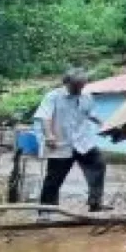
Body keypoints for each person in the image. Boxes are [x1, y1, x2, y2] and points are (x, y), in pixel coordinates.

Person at [34, 68, 108, 215]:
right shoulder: (53, 96)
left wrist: (105, 124)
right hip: (61, 144)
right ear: (66, 83)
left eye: (82, 86)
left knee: (98, 164)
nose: (79, 89)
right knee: (54, 178)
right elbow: (45, 116)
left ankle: (95, 203)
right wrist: (49, 135)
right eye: (76, 86)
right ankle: (46, 211)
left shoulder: (86, 97)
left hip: (83, 142)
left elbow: (91, 114)